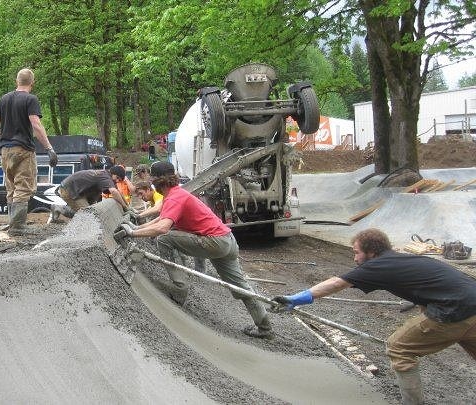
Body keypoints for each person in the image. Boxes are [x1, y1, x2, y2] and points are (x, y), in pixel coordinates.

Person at [272, 228, 476, 404]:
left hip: (454, 310)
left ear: (371, 252)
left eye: (356, 252)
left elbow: (337, 283)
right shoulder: (402, 260)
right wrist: (420, 300)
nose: (354, 258)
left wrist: (296, 299)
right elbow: (439, 283)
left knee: (398, 347)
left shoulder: (377, 265)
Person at [117, 161, 273, 339]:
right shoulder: (177, 194)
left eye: (153, 182)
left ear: (160, 182)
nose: (153, 186)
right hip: (227, 241)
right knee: (241, 287)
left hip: (216, 242)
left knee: (164, 238)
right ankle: (265, 328)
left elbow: (162, 228)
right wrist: (135, 229)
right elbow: (162, 218)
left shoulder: (174, 197)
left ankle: (179, 288)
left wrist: (131, 234)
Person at [0, 68, 58, 235]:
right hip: (23, 150)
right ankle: (17, 227)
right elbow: (36, 125)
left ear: (17, 81)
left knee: (11, 188)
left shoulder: (4, 99)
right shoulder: (30, 99)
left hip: (5, 151)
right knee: (24, 188)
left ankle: (12, 224)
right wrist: (49, 148)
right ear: (32, 83)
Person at [51, 166, 129, 221]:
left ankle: (61, 209)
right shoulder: (105, 177)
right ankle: (59, 209)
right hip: (69, 189)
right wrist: (124, 207)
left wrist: (128, 207)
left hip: (80, 192)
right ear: (113, 173)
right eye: (118, 178)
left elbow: (118, 192)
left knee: (91, 212)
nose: (118, 181)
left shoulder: (108, 177)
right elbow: (114, 192)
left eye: (120, 180)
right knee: (88, 214)